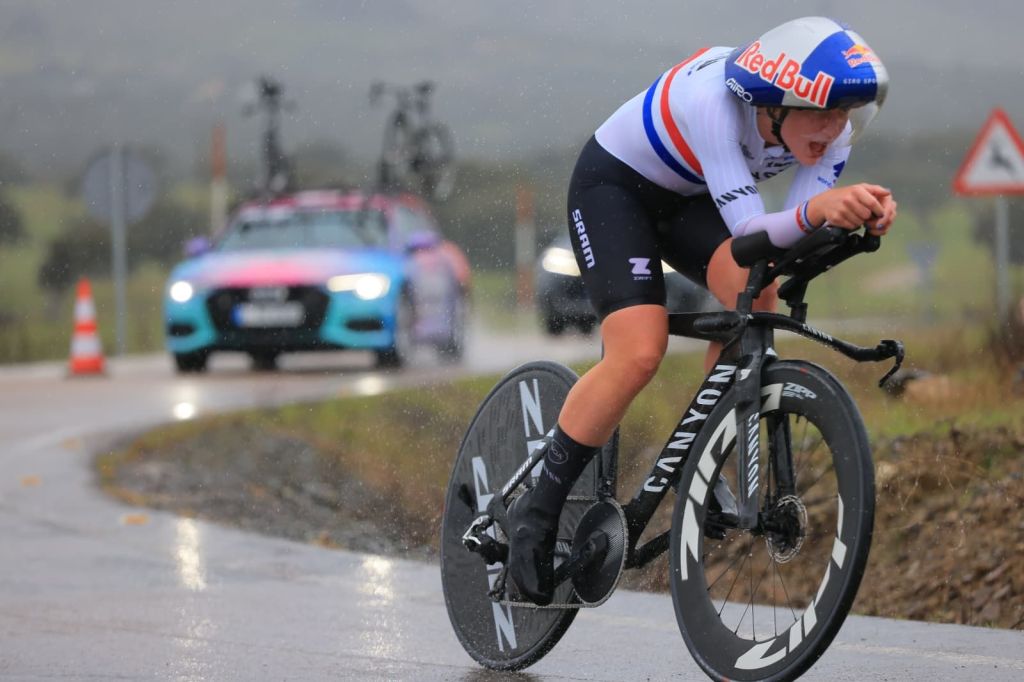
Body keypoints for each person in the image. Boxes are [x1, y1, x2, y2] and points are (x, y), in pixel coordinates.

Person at [506, 16, 898, 605]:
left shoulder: (831, 136)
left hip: (689, 201)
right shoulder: (715, 103)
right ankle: (535, 513)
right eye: (823, 112)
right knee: (639, 351)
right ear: (774, 104)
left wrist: (858, 218)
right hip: (615, 188)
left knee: (757, 294)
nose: (835, 127)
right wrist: (820, 211)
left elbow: (786, 244)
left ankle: (704, 451)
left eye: (844, 113)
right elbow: (751, 228)